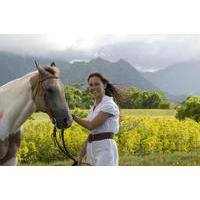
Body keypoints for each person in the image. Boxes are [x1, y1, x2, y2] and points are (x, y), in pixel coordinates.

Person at [72, 72, 122, 166]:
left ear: (104, 85)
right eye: (91, 85)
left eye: (97, 84)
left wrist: (72, 117)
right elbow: (92, 134)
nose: (93, 87)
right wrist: (80, 156)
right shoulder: (94, 107)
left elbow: (91, 126)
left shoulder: (109, 105)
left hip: (105, 148)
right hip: (92, 148)